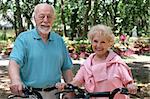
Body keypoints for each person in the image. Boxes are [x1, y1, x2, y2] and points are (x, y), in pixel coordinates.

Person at [8, 3, 73, 99]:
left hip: (54, 95)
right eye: (42, 16)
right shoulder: (23, 39)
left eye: (49, 17)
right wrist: (16, 80)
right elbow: (14, 63)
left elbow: (66, 68)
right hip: (29, 94)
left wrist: (70, 89)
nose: (46, 20)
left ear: (53, 19)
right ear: (34, 18)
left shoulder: (59, 40)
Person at [56, 24, 137, 99]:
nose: (98, 45)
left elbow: (128, 82)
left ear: (109, 43)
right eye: (95, 41)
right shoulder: (87, 64)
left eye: (103, 42)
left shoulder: (117, 63)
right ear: (91, 41)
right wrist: (65, 86)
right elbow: (77, 81)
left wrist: (131, 86)